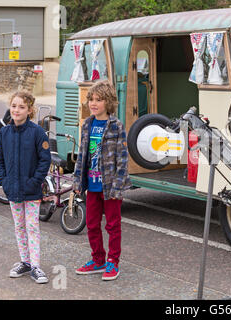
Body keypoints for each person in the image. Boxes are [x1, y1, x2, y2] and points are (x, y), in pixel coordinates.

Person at [73, 80, 131, 281]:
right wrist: (77, 181)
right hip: (92, 185)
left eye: (99, 100)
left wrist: (118, 185)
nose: (93, 103)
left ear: (109, 103)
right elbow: (82, 155)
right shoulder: (88, 124)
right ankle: (98, 260)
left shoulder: (115, 126)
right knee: (91, 224)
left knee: (113, 225)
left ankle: (113, 262)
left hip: (110, 186)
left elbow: (123, 158)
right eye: (91, 99)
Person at [0, 91, 51, 284]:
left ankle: (35, 265)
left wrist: (34, 181)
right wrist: (4, 180)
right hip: (13, 190)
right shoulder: (4, 133)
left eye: (21, 107)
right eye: (14, 106)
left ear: (29, 110)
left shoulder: (37, 132)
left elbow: (45, 160)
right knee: (19, 227)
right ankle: (25, 261)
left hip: (32, 191)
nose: (16, 110)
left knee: (32, 227)